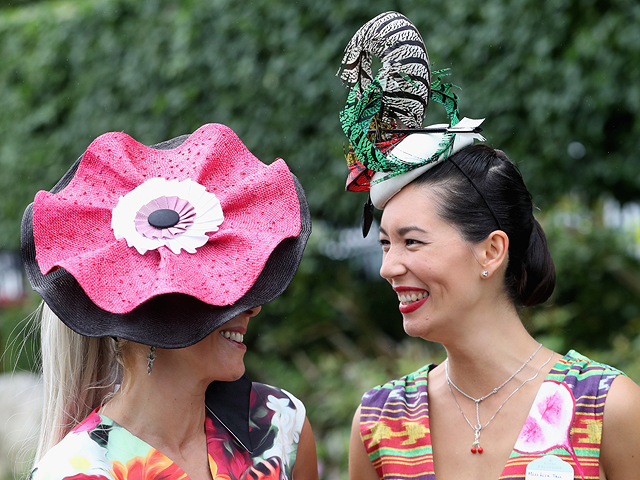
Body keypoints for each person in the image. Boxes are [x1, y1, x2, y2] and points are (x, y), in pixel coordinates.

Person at [337, 12, 640, 480]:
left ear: (491, 251)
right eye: (384, 244)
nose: (388, 268)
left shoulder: (605, 408)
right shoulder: (379, 423)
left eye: (411, 241)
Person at [21, 122, 318, 480]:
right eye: (210, 288)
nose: (251, 307)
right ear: (152, 313)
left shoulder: (281, 426)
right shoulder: (77, 473)